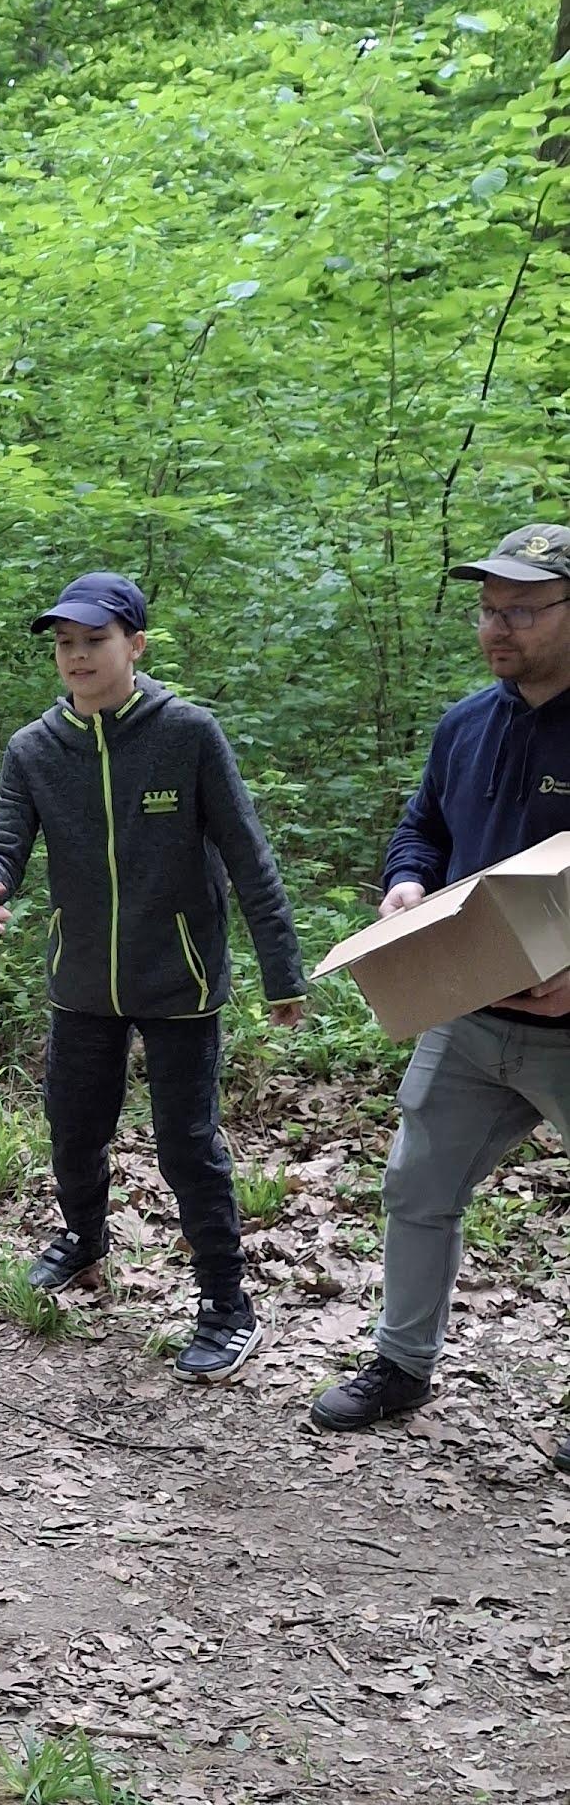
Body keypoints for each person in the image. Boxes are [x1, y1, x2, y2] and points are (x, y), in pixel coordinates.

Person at [0, 571, 305, 1381]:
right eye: (64, 644)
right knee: (73, 1128)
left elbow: (248, 855)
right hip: (81, 976)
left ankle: (226, 1305)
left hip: (178, 977)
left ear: (135, 645)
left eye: (94, 641)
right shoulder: (35, 748)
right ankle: (83, 1240)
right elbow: (6, 836)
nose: (76, 656)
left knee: (187, 1146)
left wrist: (281, 973)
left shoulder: (186, 734)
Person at [310, 525, 570, 1452]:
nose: (497, 628)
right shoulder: (464, 724)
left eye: (523, 611)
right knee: (416, 1185)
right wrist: (407, 880)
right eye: (488, 610)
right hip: (468, 1014)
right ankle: (400, 1364)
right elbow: (421, 826)